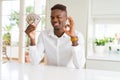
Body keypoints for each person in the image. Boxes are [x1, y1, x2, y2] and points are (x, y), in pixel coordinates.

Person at [25, 4, 85, 69]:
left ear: (66, 18)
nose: (55, 20)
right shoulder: (44, 35)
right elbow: (34, 62)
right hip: (50, 75)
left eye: (58, 17)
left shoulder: (78, 36)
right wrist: (32, 39)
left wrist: (74, 39)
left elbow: (79, 65)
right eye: (52, 17)